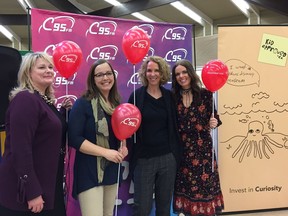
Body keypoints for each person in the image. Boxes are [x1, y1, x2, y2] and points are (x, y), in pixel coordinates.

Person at [0, 52, 72, 216]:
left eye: (50, 67)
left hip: (47, 183)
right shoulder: (25, 100)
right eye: (42, 67)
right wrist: (31, 191)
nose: (48, 70)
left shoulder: (42, 100)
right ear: (27, 72)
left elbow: (45, 130)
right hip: (26, 193)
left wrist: (61, 112)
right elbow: (20, 149)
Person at [68, 59, 128, 216]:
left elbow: (122, 131)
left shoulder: (116, 103)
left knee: (108, 214)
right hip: (88, 172)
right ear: (93, 79)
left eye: (108, 73)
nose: (105, 78)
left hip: (111, 169)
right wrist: (106, 152)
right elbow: (74, 138)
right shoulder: (83, 103)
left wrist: (123, 146)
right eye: (99, 75)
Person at [128, 56, 181, 216]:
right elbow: (127, 125)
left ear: (162, 73)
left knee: (164, 207)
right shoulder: (136, 97)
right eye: (149, 70)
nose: (153, 74)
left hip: (168, 159)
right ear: (144, 73)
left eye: (156, 70)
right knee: (142, 208)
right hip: (144, 159)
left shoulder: (170, 97)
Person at [171, 59, 225, 216]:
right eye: (177, 74)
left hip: (203, 151)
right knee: (186, 187)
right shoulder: (173, 97)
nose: (181, 76)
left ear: (191, 73)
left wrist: (214, 121)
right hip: (182, 150)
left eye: (184, 72)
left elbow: (215, 118)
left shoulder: (206, 94)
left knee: (205, 187)